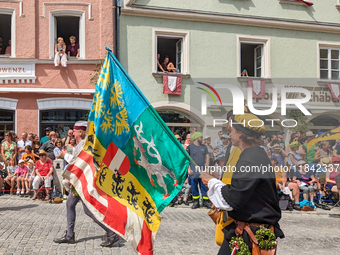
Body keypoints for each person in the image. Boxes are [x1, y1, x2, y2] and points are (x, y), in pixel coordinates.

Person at [202, 113, 283, 255]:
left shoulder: (251, 159)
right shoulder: (254, 154)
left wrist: (212, 182)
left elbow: (233, 199)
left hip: (251, 232)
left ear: (241, 134)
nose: (229, 134)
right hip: (248, 228)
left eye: (231, 131)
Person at [54, 121, 119, 247]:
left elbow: (79, 163)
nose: (72, 132)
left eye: (74, 130)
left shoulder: (84, 144)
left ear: (80, 131)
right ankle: (70, 235)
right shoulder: (79, 144)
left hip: (84, 182)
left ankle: (112, 233)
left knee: (89, 210)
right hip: (79, 181)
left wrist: (65, 155)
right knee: (70, 204)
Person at [186, 132, 211, 209]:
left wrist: (207, 168)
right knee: (194, 186)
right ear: (196, 138)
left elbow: (207, 157)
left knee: (204, 186)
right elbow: (187, 159)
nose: (202, 139)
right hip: (193, 170)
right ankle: (196, 201)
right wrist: (189, 169)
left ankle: (205, 201)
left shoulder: (204, 147)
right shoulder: (190, 147)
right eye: (201, 137)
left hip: (203, 169)